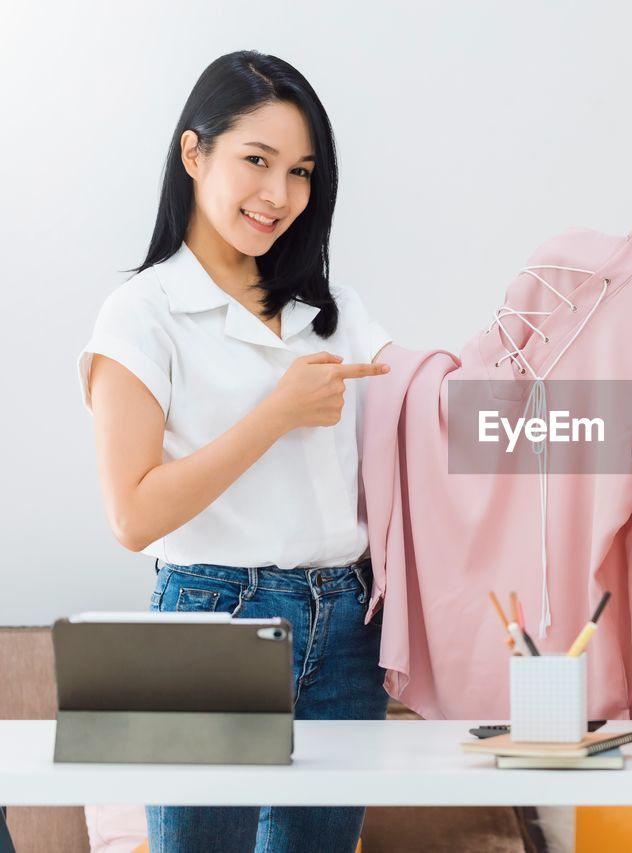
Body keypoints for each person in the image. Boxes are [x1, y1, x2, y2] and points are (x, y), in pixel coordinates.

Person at [77, 50, 392, 853]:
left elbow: (416, 437)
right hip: (210, 619)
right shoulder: (140, 314)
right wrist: (275, 414)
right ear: (194, 153)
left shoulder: (335, 309)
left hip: (347, 622)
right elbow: (133, 514)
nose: (278, 195)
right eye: (257, 160)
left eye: (301, 171)